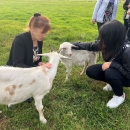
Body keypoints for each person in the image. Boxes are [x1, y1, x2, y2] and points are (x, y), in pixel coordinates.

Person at [73, 20, 130, 108]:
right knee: (91, 71)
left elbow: (128, 74)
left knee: (110, 73)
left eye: (103, 37)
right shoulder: (107, 44)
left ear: (112, 38)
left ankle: (120, 95)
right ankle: (113, 83)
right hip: (115, 70)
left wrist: (112, 65)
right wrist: (74, 45)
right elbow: (91, 46)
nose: (100, 40)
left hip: (127, 77)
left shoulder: (127, 51)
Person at [6, 13, 52, 102]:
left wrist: (40, 64)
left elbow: (37, 59)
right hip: (15, 73)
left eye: (45, 33)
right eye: (42, 32)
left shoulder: (39, 41)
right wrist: (38, 69)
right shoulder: (20, 40)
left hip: (29, 71)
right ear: (32, 28)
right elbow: (17, 64)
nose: (44, 36)